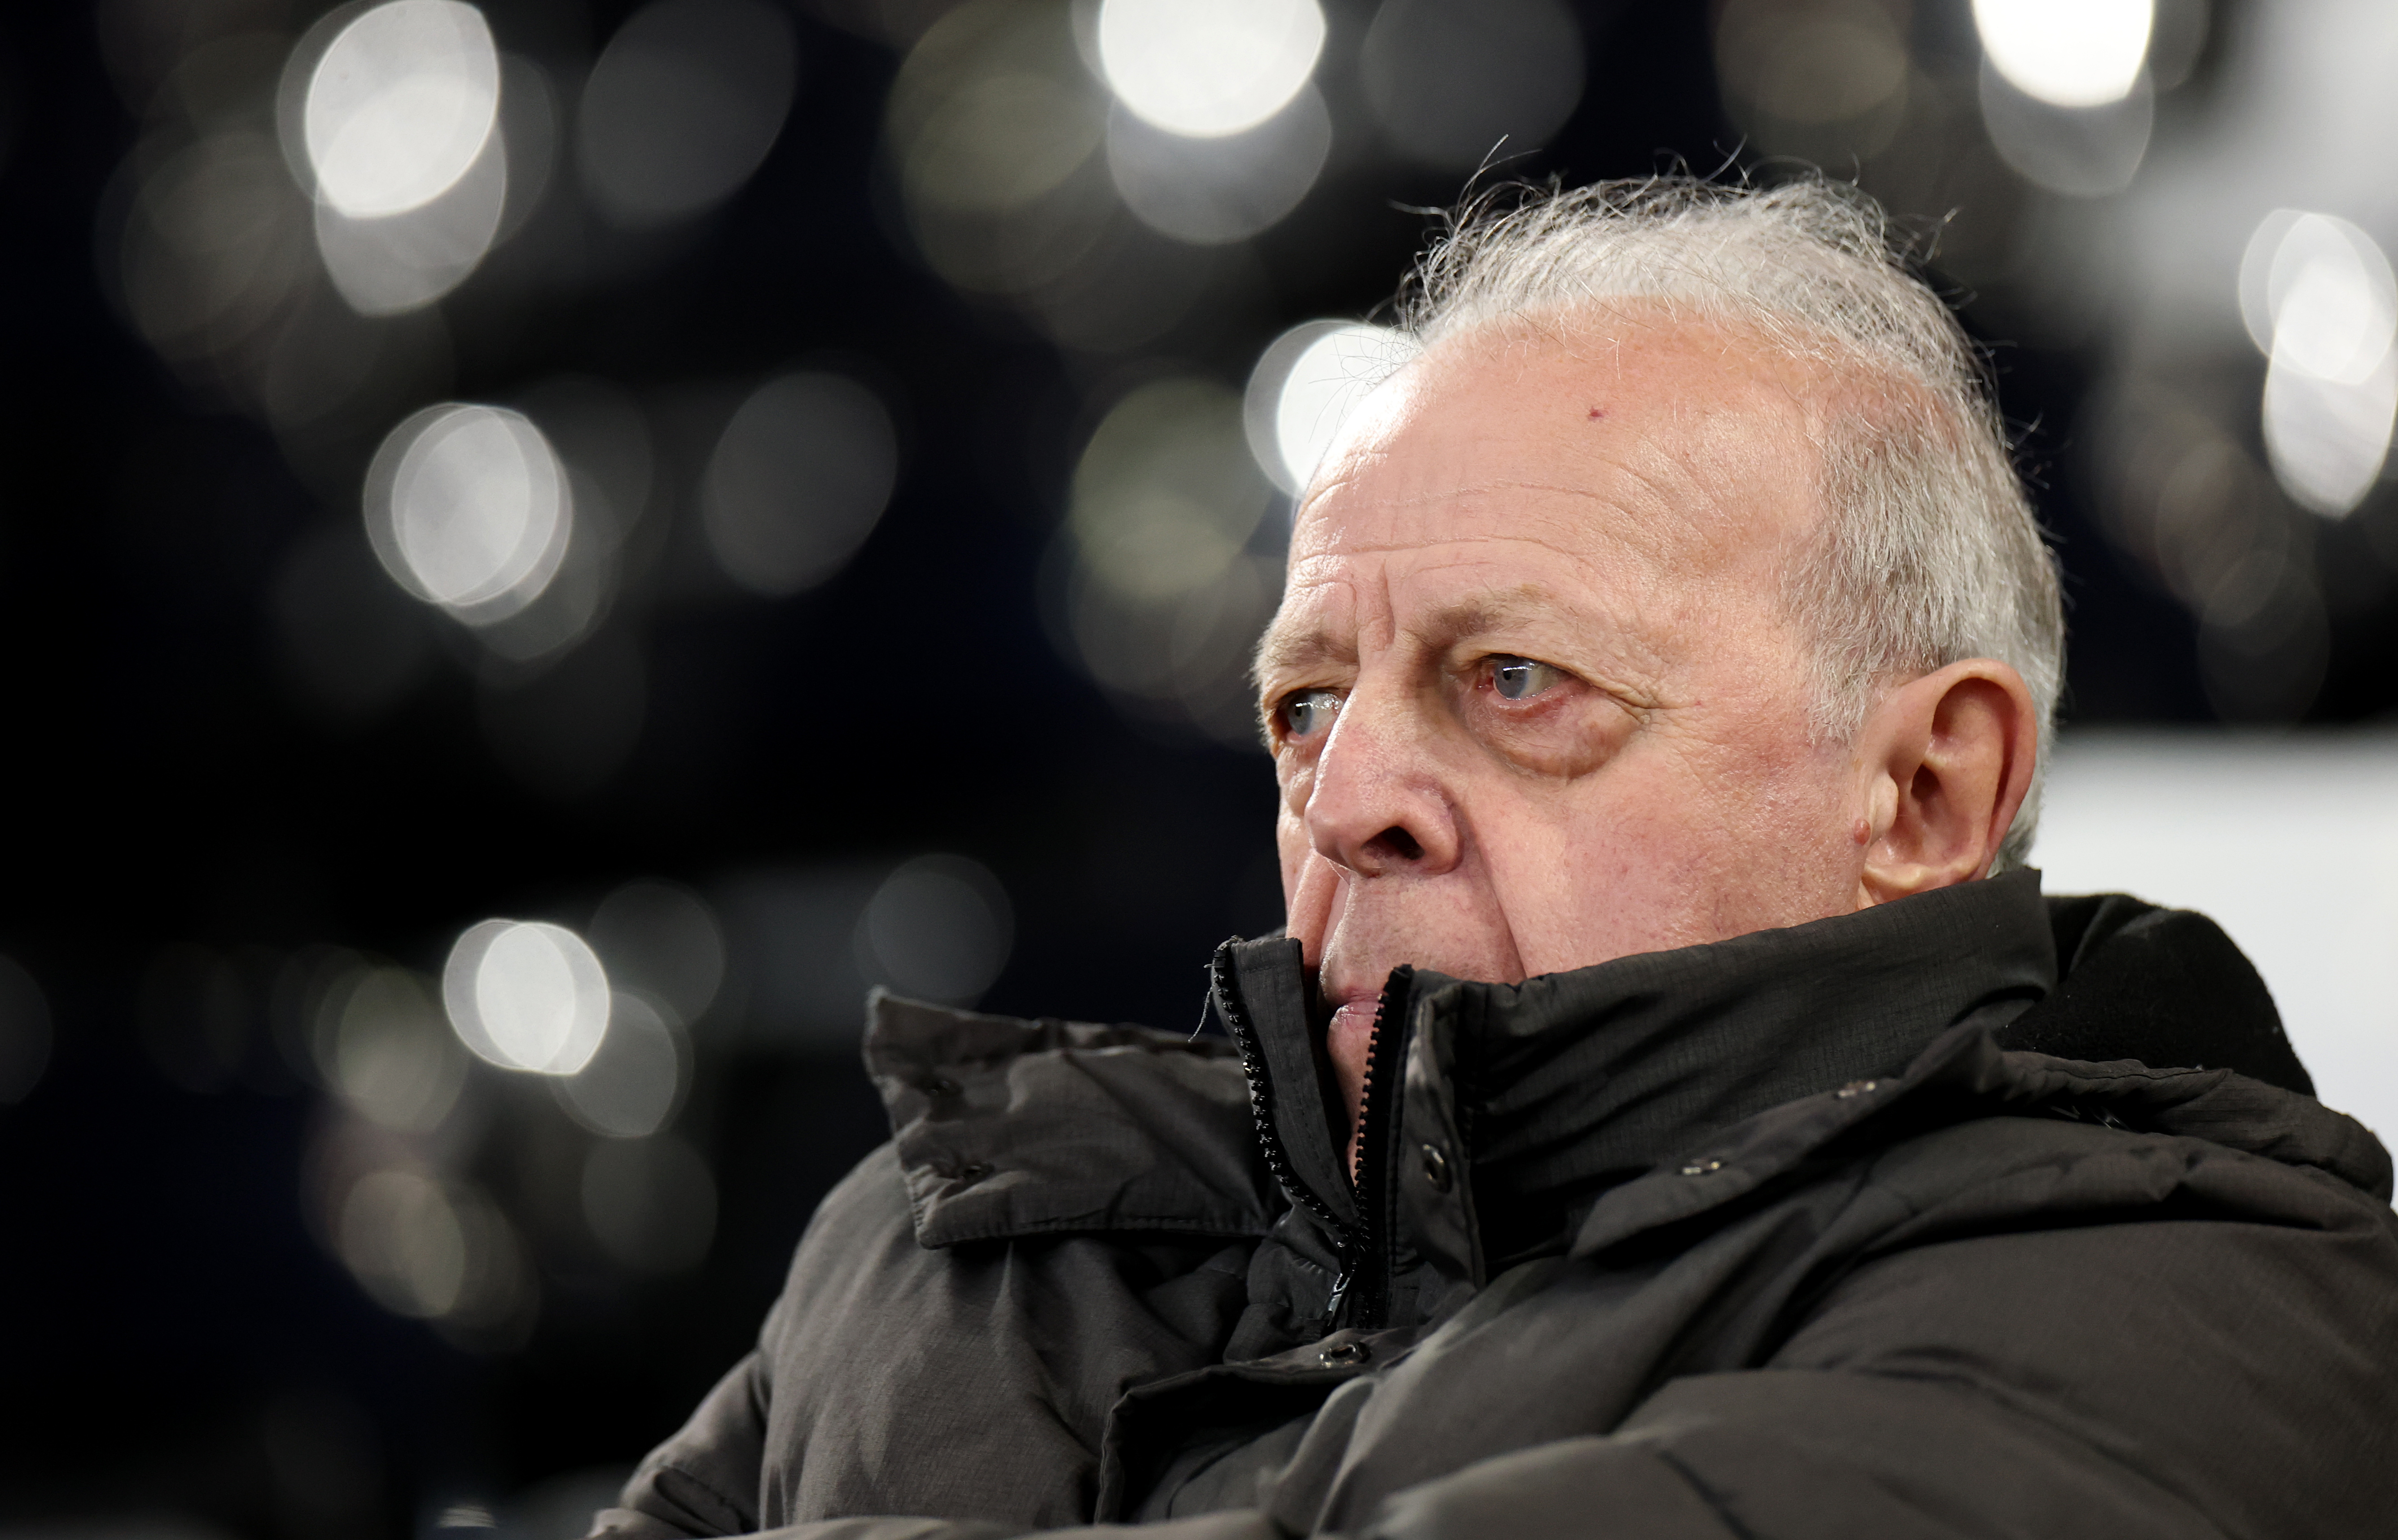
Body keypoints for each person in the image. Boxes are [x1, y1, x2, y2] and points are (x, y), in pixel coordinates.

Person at [595, 179, 2398, 1539]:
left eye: (1515, 680)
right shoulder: (962, 1230)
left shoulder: (2192, 1300)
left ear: (1927, 789)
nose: (1347, 795)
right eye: (1306, 704)